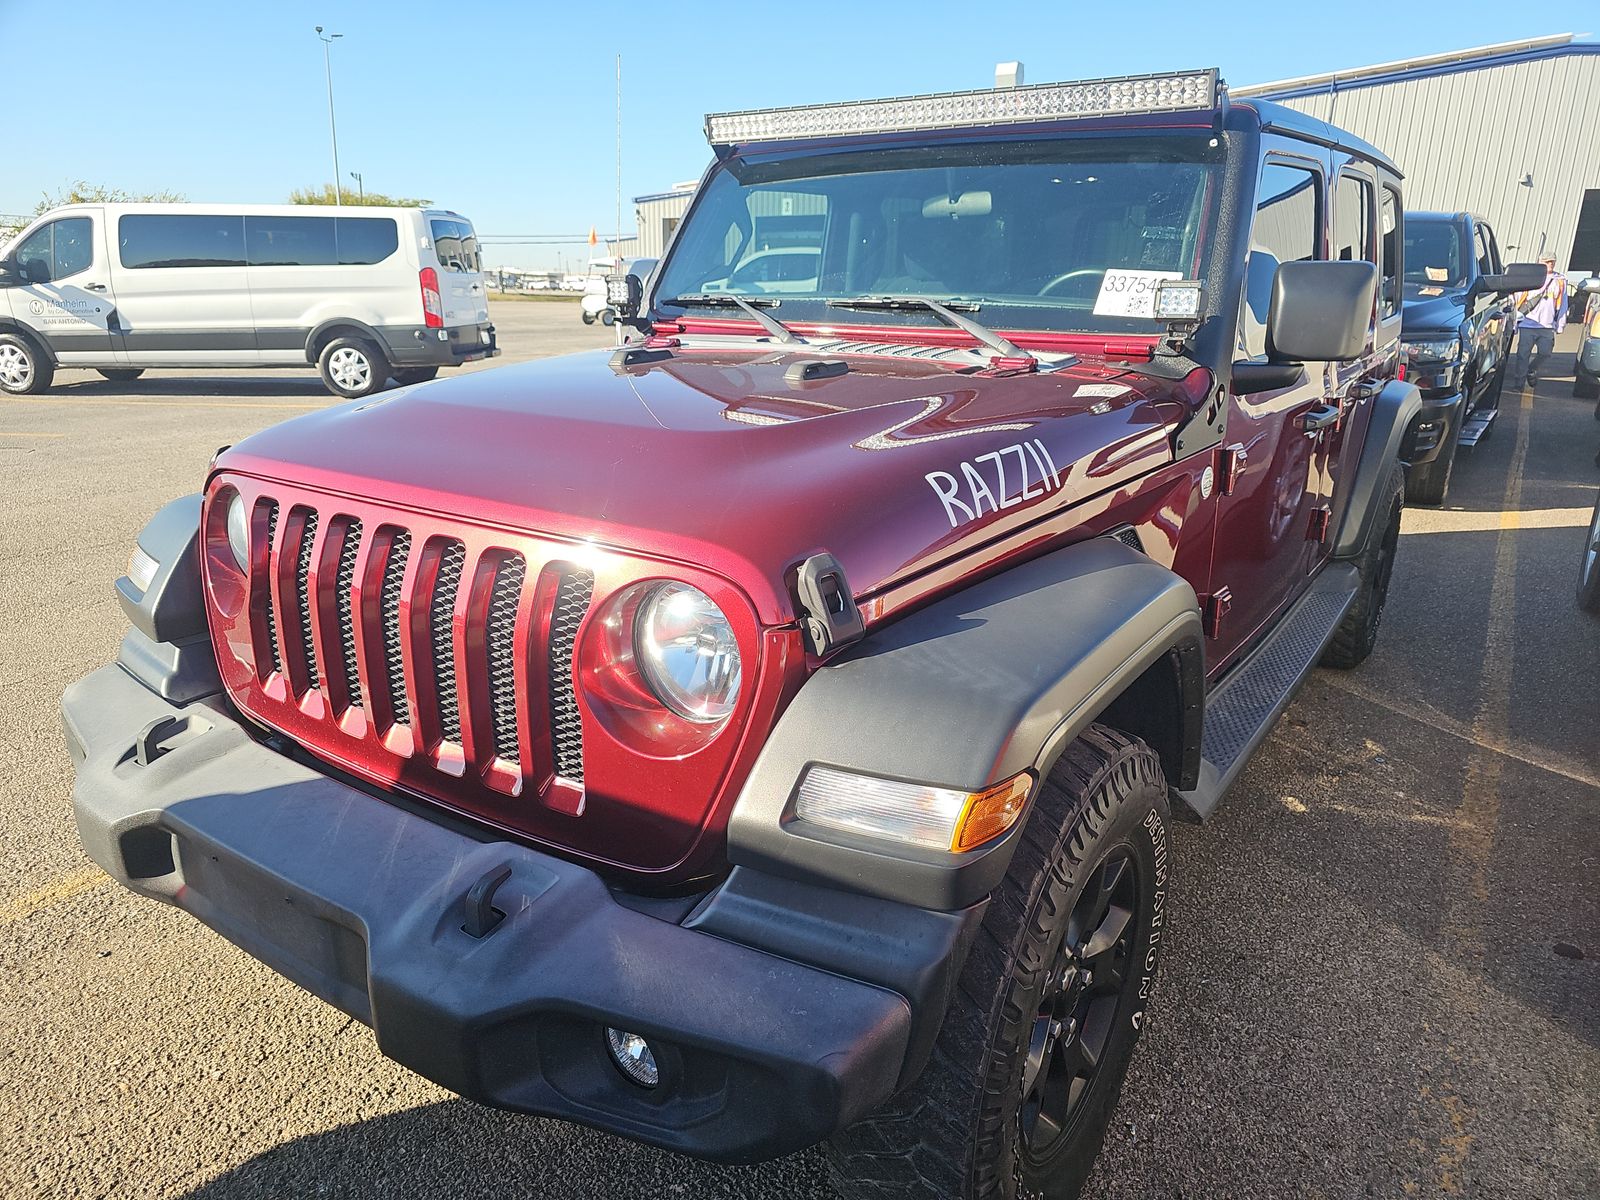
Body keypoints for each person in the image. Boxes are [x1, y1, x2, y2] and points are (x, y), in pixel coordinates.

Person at [1507, 254, 1568, 389]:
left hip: (1547, 325)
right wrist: (1514, 321)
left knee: (1545, 352)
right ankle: (1519, 384)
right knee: (1522, 355)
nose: (1550, 264)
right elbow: (1516, 298)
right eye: (1546, 261)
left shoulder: (1560, 281)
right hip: (1527, 323)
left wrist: (1560, 324)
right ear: (1539, 262)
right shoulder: (1529, 278)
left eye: (1552, 262)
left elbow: (1563, 303)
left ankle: (1532, 369)